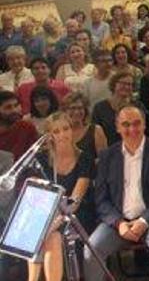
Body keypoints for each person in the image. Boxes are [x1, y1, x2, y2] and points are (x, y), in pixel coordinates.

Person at [85, 105, 149, 281]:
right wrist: (119, 223)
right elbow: (101, 199)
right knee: (91, 250)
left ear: (144, 125)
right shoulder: (107, 156)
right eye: (126, 124)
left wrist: (144, 221)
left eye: (137, 123)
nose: (132, 129)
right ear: (117, 127)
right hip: (118, 222)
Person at [29, 112, 96, 281]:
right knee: (50, 236)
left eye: (65, 129)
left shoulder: (85, 158)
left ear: (72, 130)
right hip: (48, 214)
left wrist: (51, 225)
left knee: (47, 234)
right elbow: (38, 199)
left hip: (76, 215)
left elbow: (74, 202)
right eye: (56, 131)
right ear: (49, 136)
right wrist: (48, 224)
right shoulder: (41, 159)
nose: (62, 134)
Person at [0, 90, 38, 159]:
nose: (14, 110)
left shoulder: (27, 127)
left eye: (16, 105)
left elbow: (34, 156)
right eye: (8, 107)